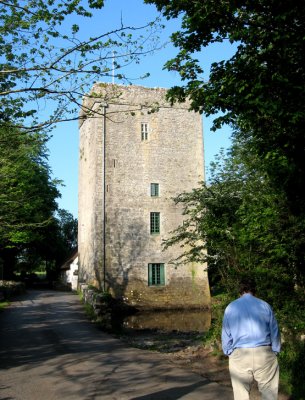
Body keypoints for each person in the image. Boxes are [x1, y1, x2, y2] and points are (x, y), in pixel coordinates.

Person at [222, 278, 281, 400]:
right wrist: (275, 350)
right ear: (255, 290)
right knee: (269, 393)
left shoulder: (231, 307)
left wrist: (229, 352)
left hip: (240, 354)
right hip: (264, 353)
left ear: (240, 291)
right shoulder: (265, 305)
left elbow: (226, 333)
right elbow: (274, 331)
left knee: (241, 394)